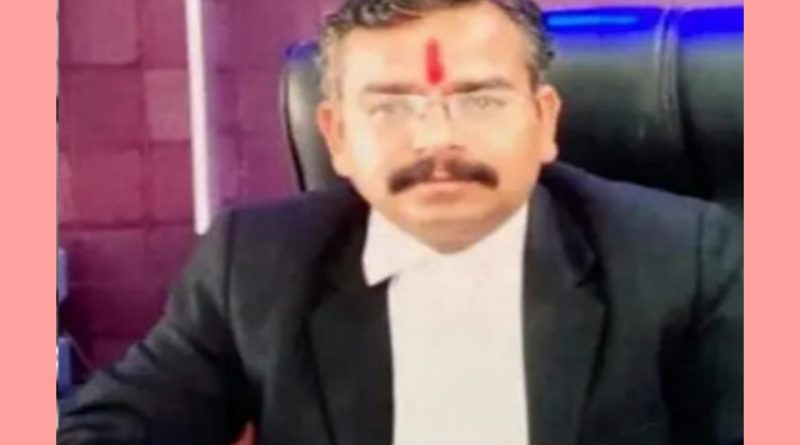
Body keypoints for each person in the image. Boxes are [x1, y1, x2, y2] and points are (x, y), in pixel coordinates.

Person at [57, 1, 743, 444]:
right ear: (336, 136)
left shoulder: (684, 257)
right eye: (391, 107)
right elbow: (120, 424)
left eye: (478, 100)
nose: (436, 139)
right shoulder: (254, 264)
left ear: (544, 122)